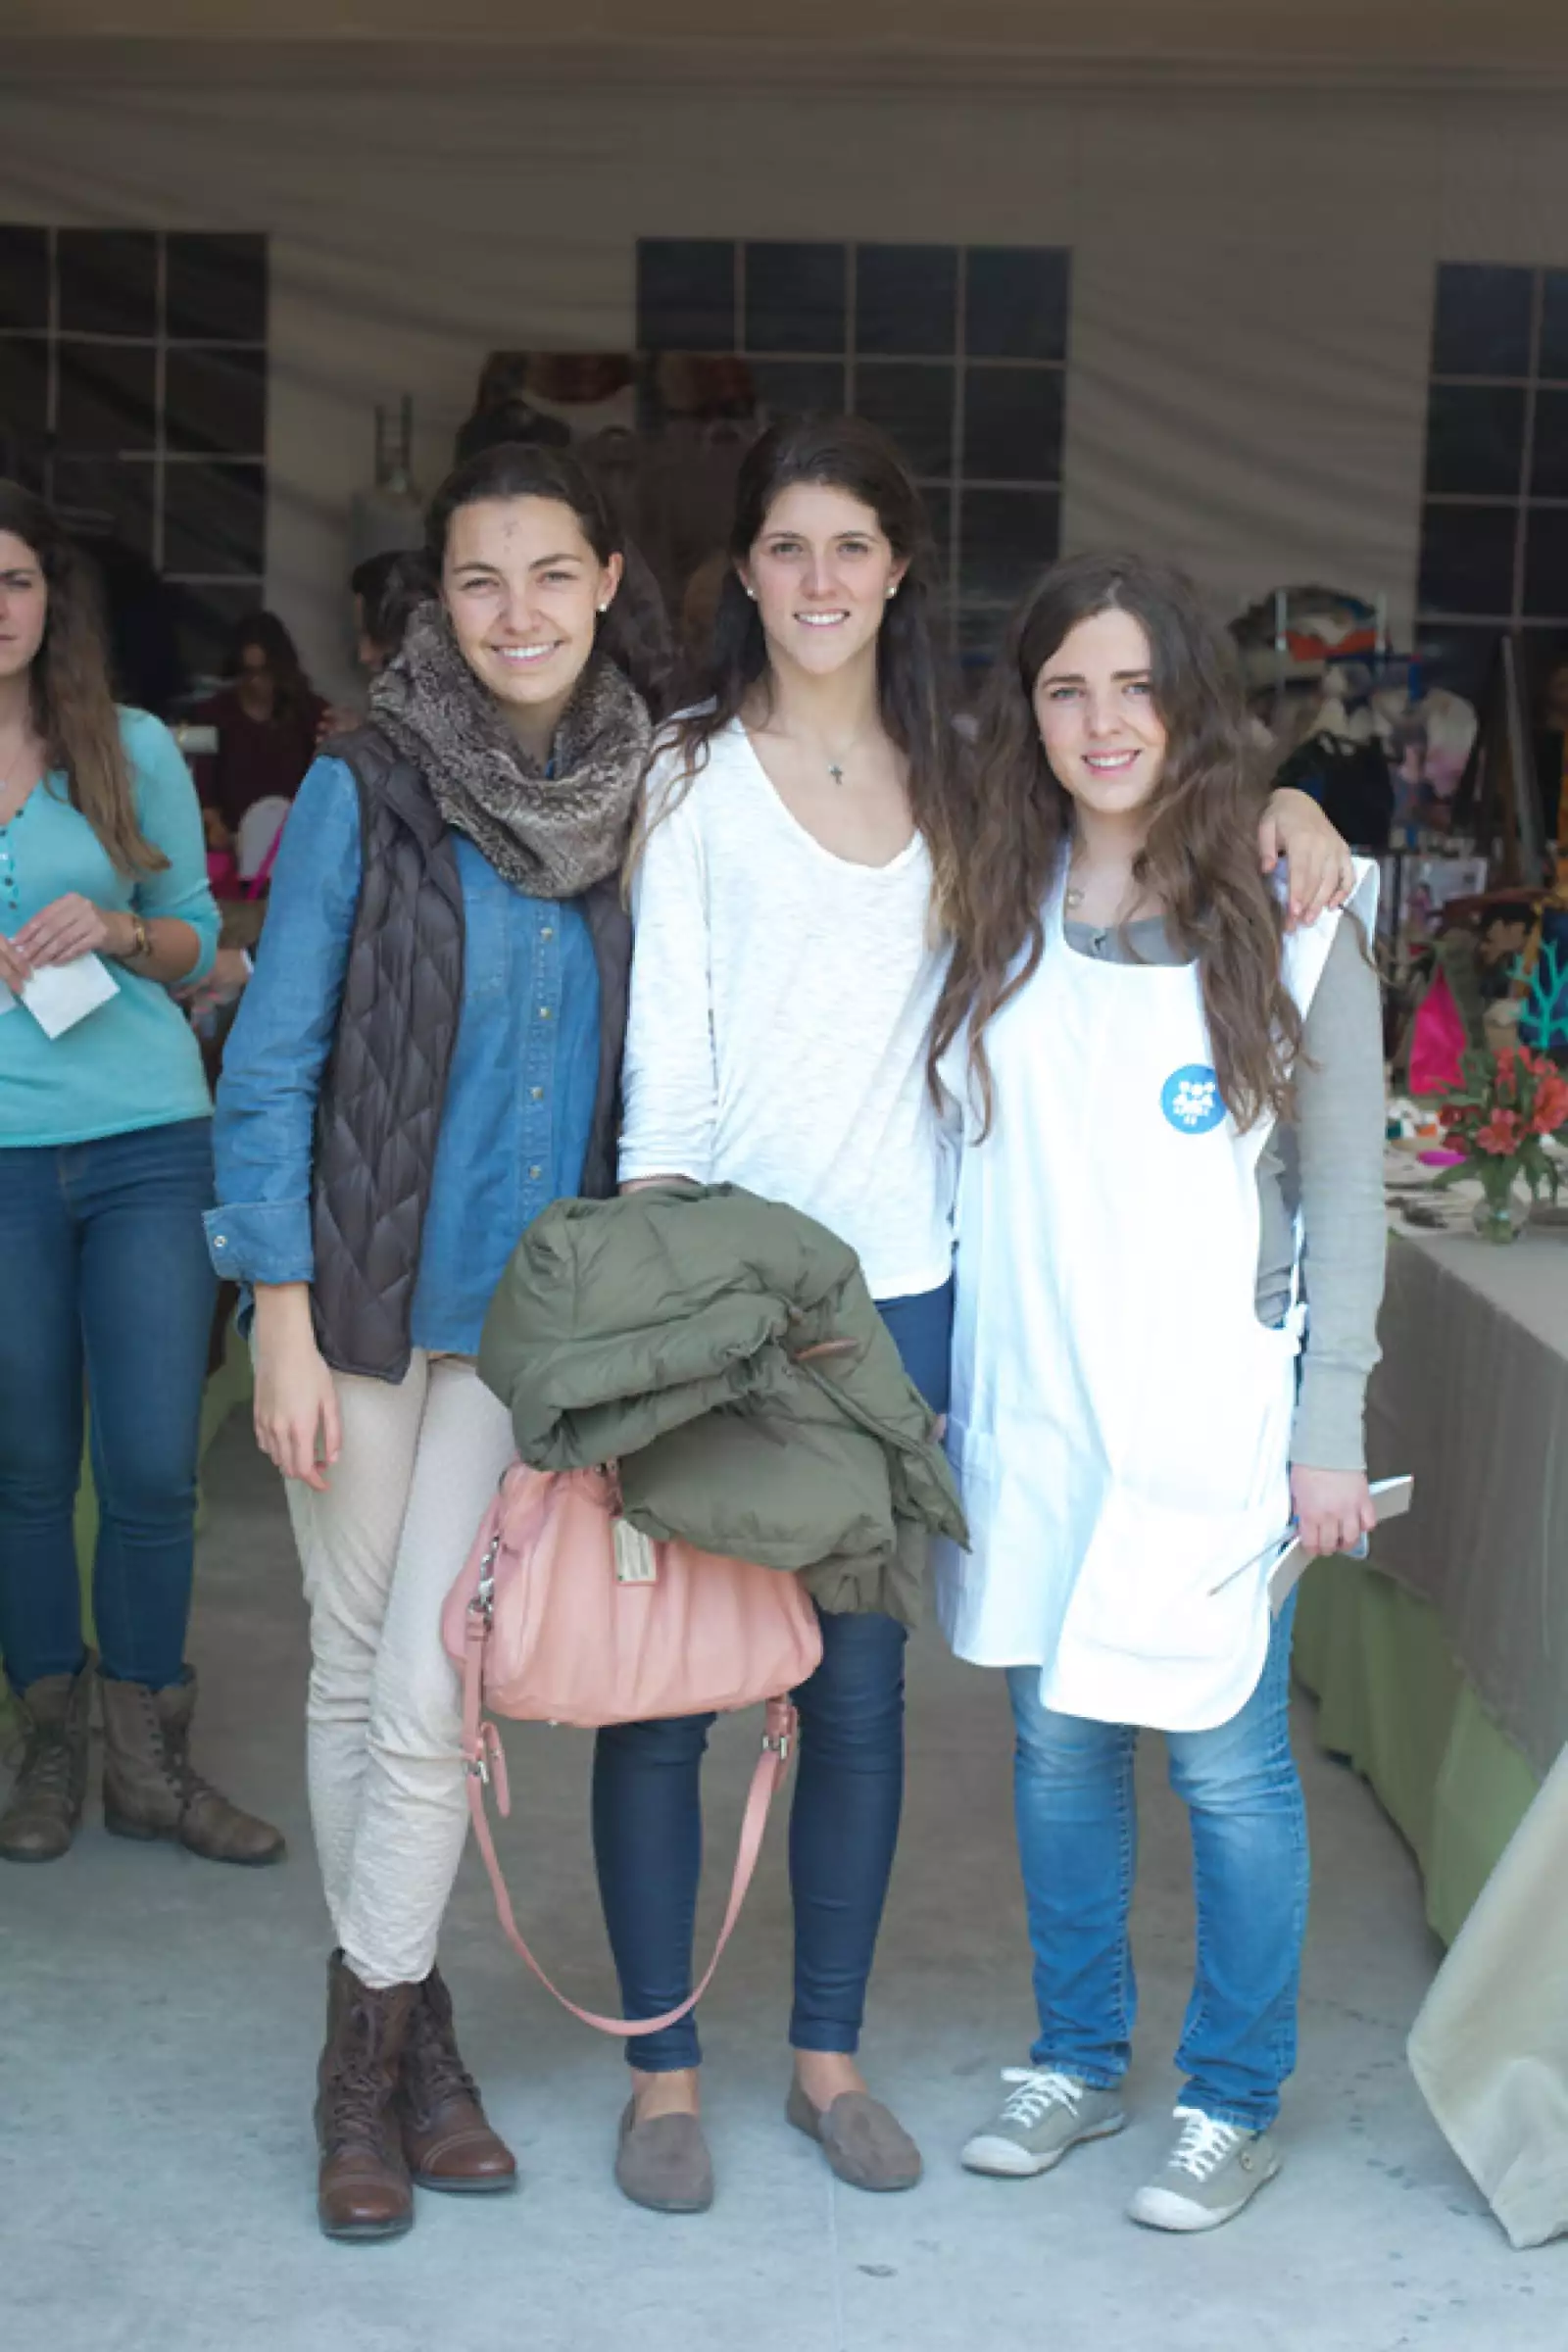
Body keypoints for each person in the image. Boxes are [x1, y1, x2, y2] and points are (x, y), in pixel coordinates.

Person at [601, 418, 1354, 2217]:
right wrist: (658, 1307)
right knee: (713, 1708)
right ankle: (691, 2072)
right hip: (784, 1312)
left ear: (900, 569)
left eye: (853, 545)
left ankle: (881, 2063)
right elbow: (669, 1069)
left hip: (941, 1320)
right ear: (745, 573)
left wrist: (1297, 807)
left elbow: (1301, 1132)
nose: (820, 580)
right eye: (787, 547)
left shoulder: (991, 804)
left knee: (938, 1714)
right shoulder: (732, 782)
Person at [209, 441, 669, 2243]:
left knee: (420, 1693)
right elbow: (278, 1061)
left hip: (528, 1331)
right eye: (480, 581)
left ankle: (369, 2057)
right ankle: (406, 2048)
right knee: (352, 1671)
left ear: (610, 581)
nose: (518, 613)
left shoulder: (655, 792)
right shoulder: (366, 784)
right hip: (367, 1304)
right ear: (437, 602)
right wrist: (279, 1318)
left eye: (551, 574)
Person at [931, 553, 1386, 2232]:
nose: (1101, 721)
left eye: (1134, 686)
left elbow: (1344, 1198)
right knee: (1055, 1750)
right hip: (1038, 1408)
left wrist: (1327, 1433)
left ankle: (1235, 2096)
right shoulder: (995, 887)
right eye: (1066, 688)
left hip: (1210, 1421)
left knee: (1226, 1770)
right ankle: (1075, 2056)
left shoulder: (1294, 912)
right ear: (1028, 712)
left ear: (1189, 701)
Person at [0, 481, 282, 1870]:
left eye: (14, 579)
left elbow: (195, 943)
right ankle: (47, 1748)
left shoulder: (122, 752)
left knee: (158, 1462)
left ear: (53, 600)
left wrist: (114, 925)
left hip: (146, 1143)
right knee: (26, 1464)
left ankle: (148, 1762)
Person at [189, 611, 328, 837]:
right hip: (233, 846)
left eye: (265, 673)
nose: (256, 683)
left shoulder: (310, 711)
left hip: (294, 841)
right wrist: (215, 827)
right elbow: (204, 791)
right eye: (248, 673)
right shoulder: (214, 714)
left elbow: (324, 787)